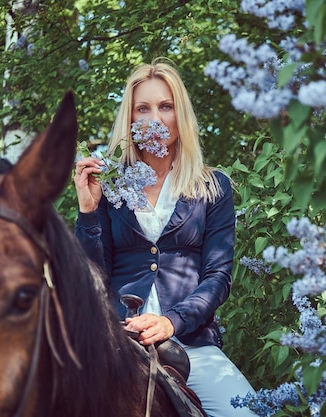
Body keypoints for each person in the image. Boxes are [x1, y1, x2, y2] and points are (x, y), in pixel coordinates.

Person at [73, 58, 257, 417]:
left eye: (165, 106)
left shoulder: (211, 186)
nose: (154, 118)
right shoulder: (111, 185)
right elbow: (91, 278)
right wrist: (88, 212)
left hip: (190, 343)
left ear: (180, 115)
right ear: (131, 120)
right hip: (117, 341)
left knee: (248, 413)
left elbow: (218, 278)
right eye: (143, 108)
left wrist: (171, 321)